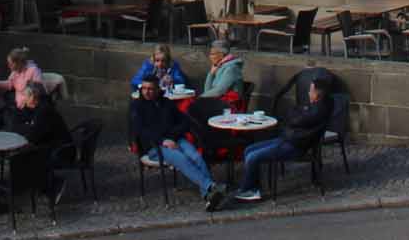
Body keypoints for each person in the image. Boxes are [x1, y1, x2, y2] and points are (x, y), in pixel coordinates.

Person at [129, 74, 226, 208]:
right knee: (181, 158)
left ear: (158, 89)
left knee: (196, 156)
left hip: (175, 139)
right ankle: (211, 186)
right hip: (154, 146)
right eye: (144, 88)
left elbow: (184, 122)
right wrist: (163, 140)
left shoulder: (167, 103)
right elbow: (141, 131)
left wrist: (171, 136)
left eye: (150, 89)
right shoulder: (137, 106)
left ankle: (208, 196)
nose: (146, 92)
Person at [233, 80, 333, 203]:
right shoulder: (315, 105)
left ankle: (248, 190)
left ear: (318, 94)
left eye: (311, 90)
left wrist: (295, 115)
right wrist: (296, 114)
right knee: (249, 150)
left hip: (295, 146)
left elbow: (294, 119)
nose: (308, 92)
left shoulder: (318, 110)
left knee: (253, 156)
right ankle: (254, 188)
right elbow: (294, 114)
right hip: (288, 139)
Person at [6, 82, 70, 205]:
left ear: (33, 97)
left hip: (60, 150)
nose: (22, 98)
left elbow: (33, 136)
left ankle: (52, 185)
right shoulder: (32, 108)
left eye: (25, 95)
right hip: (46, 144)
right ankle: (25, 187)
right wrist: (28, 126)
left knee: (24, 156)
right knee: (19, 155)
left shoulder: (44, 111)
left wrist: (27, 127)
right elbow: (14, 126)